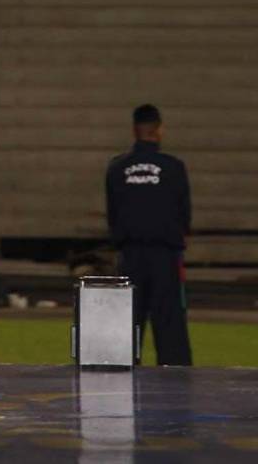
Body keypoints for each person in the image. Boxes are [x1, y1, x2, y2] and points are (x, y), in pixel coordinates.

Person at [105, 104, 192, 366]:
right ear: (159, 130)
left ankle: (119, 373)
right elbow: (184, 213)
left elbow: (113, 212)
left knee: (127, 324)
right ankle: (175, 378)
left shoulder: (117, 167)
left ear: (134, 130)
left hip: (130, 255)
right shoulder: (173, 167)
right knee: (170, 325)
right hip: (165, 256)